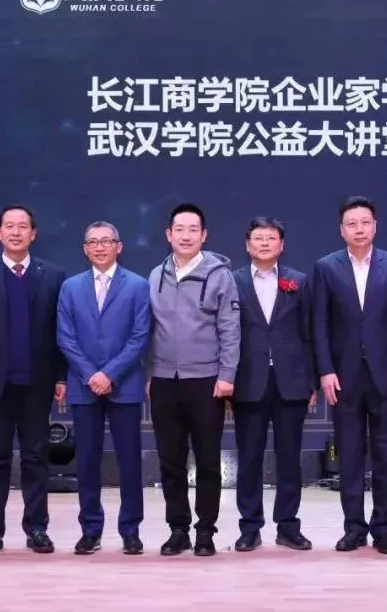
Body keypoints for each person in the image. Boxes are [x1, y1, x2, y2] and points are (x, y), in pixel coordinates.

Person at [0, 205, 67, 556]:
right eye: (9, 226)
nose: (16, 232)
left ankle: (37, 528)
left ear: (33, 234)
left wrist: (62, 376)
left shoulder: (53, 275)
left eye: (23, 227)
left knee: (36, 457)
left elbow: (61, 332)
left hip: (38, 383)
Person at [312, 195, 387, 555]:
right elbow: (319, 323)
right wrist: (325, 370)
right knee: (350, 456)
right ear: (341, 229)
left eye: (365, 222)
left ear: (375, 226)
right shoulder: (326, 267)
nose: (359, 229)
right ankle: (354, 528)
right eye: (352, 223)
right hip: (344, 377)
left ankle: (384, 530)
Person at [147, 203, 240, 557]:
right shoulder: (156, 275)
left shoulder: (219, 275)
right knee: (170, 460)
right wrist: (150, 373)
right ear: (168, 234)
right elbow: (149, 330)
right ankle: (178, 529)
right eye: (179, 229)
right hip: (165, 381)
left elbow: (230, 329)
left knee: (207, 460)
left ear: (204, 235)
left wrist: (227, 376)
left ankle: (205, 531)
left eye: (193, 230)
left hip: (206, 381)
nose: (186, 236)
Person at [56, 220, 151, 556]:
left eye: (106, 241)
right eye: (93, 242)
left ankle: (131, 530)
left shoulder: (138, 285)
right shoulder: (70, 287)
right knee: (86, 461)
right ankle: (90, 530)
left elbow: (140, 336)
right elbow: (65, 337)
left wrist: (109, 374)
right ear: (85, 249)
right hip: (84, 387)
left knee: (130, 462)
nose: (99, 247)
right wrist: (90, 374)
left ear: (119, 247)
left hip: (124, 385)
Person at [231, 217, 316, 552]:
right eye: (258, 237)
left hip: (290, 382)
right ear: (247, 244)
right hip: (248, 381)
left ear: (282, 245)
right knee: (249, 459)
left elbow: (310, 333)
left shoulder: (299, 281)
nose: (264, 243)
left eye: (271, 238)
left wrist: (311, 381)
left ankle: (288, 526)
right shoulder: (232, 280)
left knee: (289, 459)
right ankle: (249, 527)